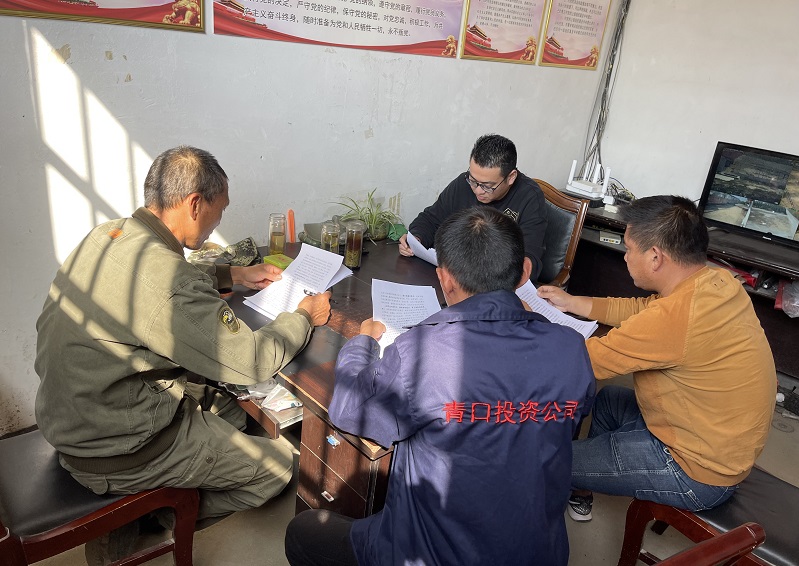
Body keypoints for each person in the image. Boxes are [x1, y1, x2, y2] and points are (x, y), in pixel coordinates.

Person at [34, 146, 331, 565]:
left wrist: (233, 273)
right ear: (194, 204)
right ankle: (153, 512)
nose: (218, 222)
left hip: (75, 417)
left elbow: (153, 281)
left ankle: (157, 493)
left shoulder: (111, 235)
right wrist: (303, 316)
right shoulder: (169, 280)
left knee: (233, 412)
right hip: (120, 448)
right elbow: (251, 362)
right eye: (219, 211)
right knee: (280, 467)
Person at [285, 207, 596, 566]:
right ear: (524, 271)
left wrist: (362, 343)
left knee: (303, 532)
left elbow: (349, 409)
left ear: (444, 279)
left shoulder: (423, 351)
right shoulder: (571, 348)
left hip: (430, 555)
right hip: (540, 553)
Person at [538, 195, 777, 523]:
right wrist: (572, 302)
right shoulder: (717, 282)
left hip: (695, 471)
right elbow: (644, 309)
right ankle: (582, 490)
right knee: (609, 401)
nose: (625, 257)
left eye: (628, 249)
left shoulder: (675, 319)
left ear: (655, 257)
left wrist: (525, 330)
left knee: (547, 460)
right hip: (714, 439)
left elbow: (581, 363)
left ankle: (569, 478)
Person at [398, 134, 548, 281]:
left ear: (511, 177)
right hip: (453, 276)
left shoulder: (530, 198)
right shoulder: (463, 183)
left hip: (493, 282)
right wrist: (416, 238)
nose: (478, 191)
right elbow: (431, 218)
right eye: (473, 180)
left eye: (487, 186)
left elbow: (529, 258)